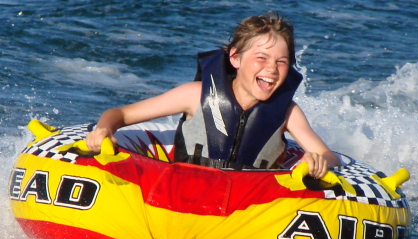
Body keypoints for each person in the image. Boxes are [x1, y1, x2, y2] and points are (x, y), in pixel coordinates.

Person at [86, 12, 340, 178]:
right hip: (180, 193)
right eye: (261, 58)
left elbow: (330, 156)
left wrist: (317, 161)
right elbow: (119, 114)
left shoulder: (287, 112)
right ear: (235, 58)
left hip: (249, 205)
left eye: (282, 61)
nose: (272, 69)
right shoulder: (194, 95)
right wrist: (105, 130)